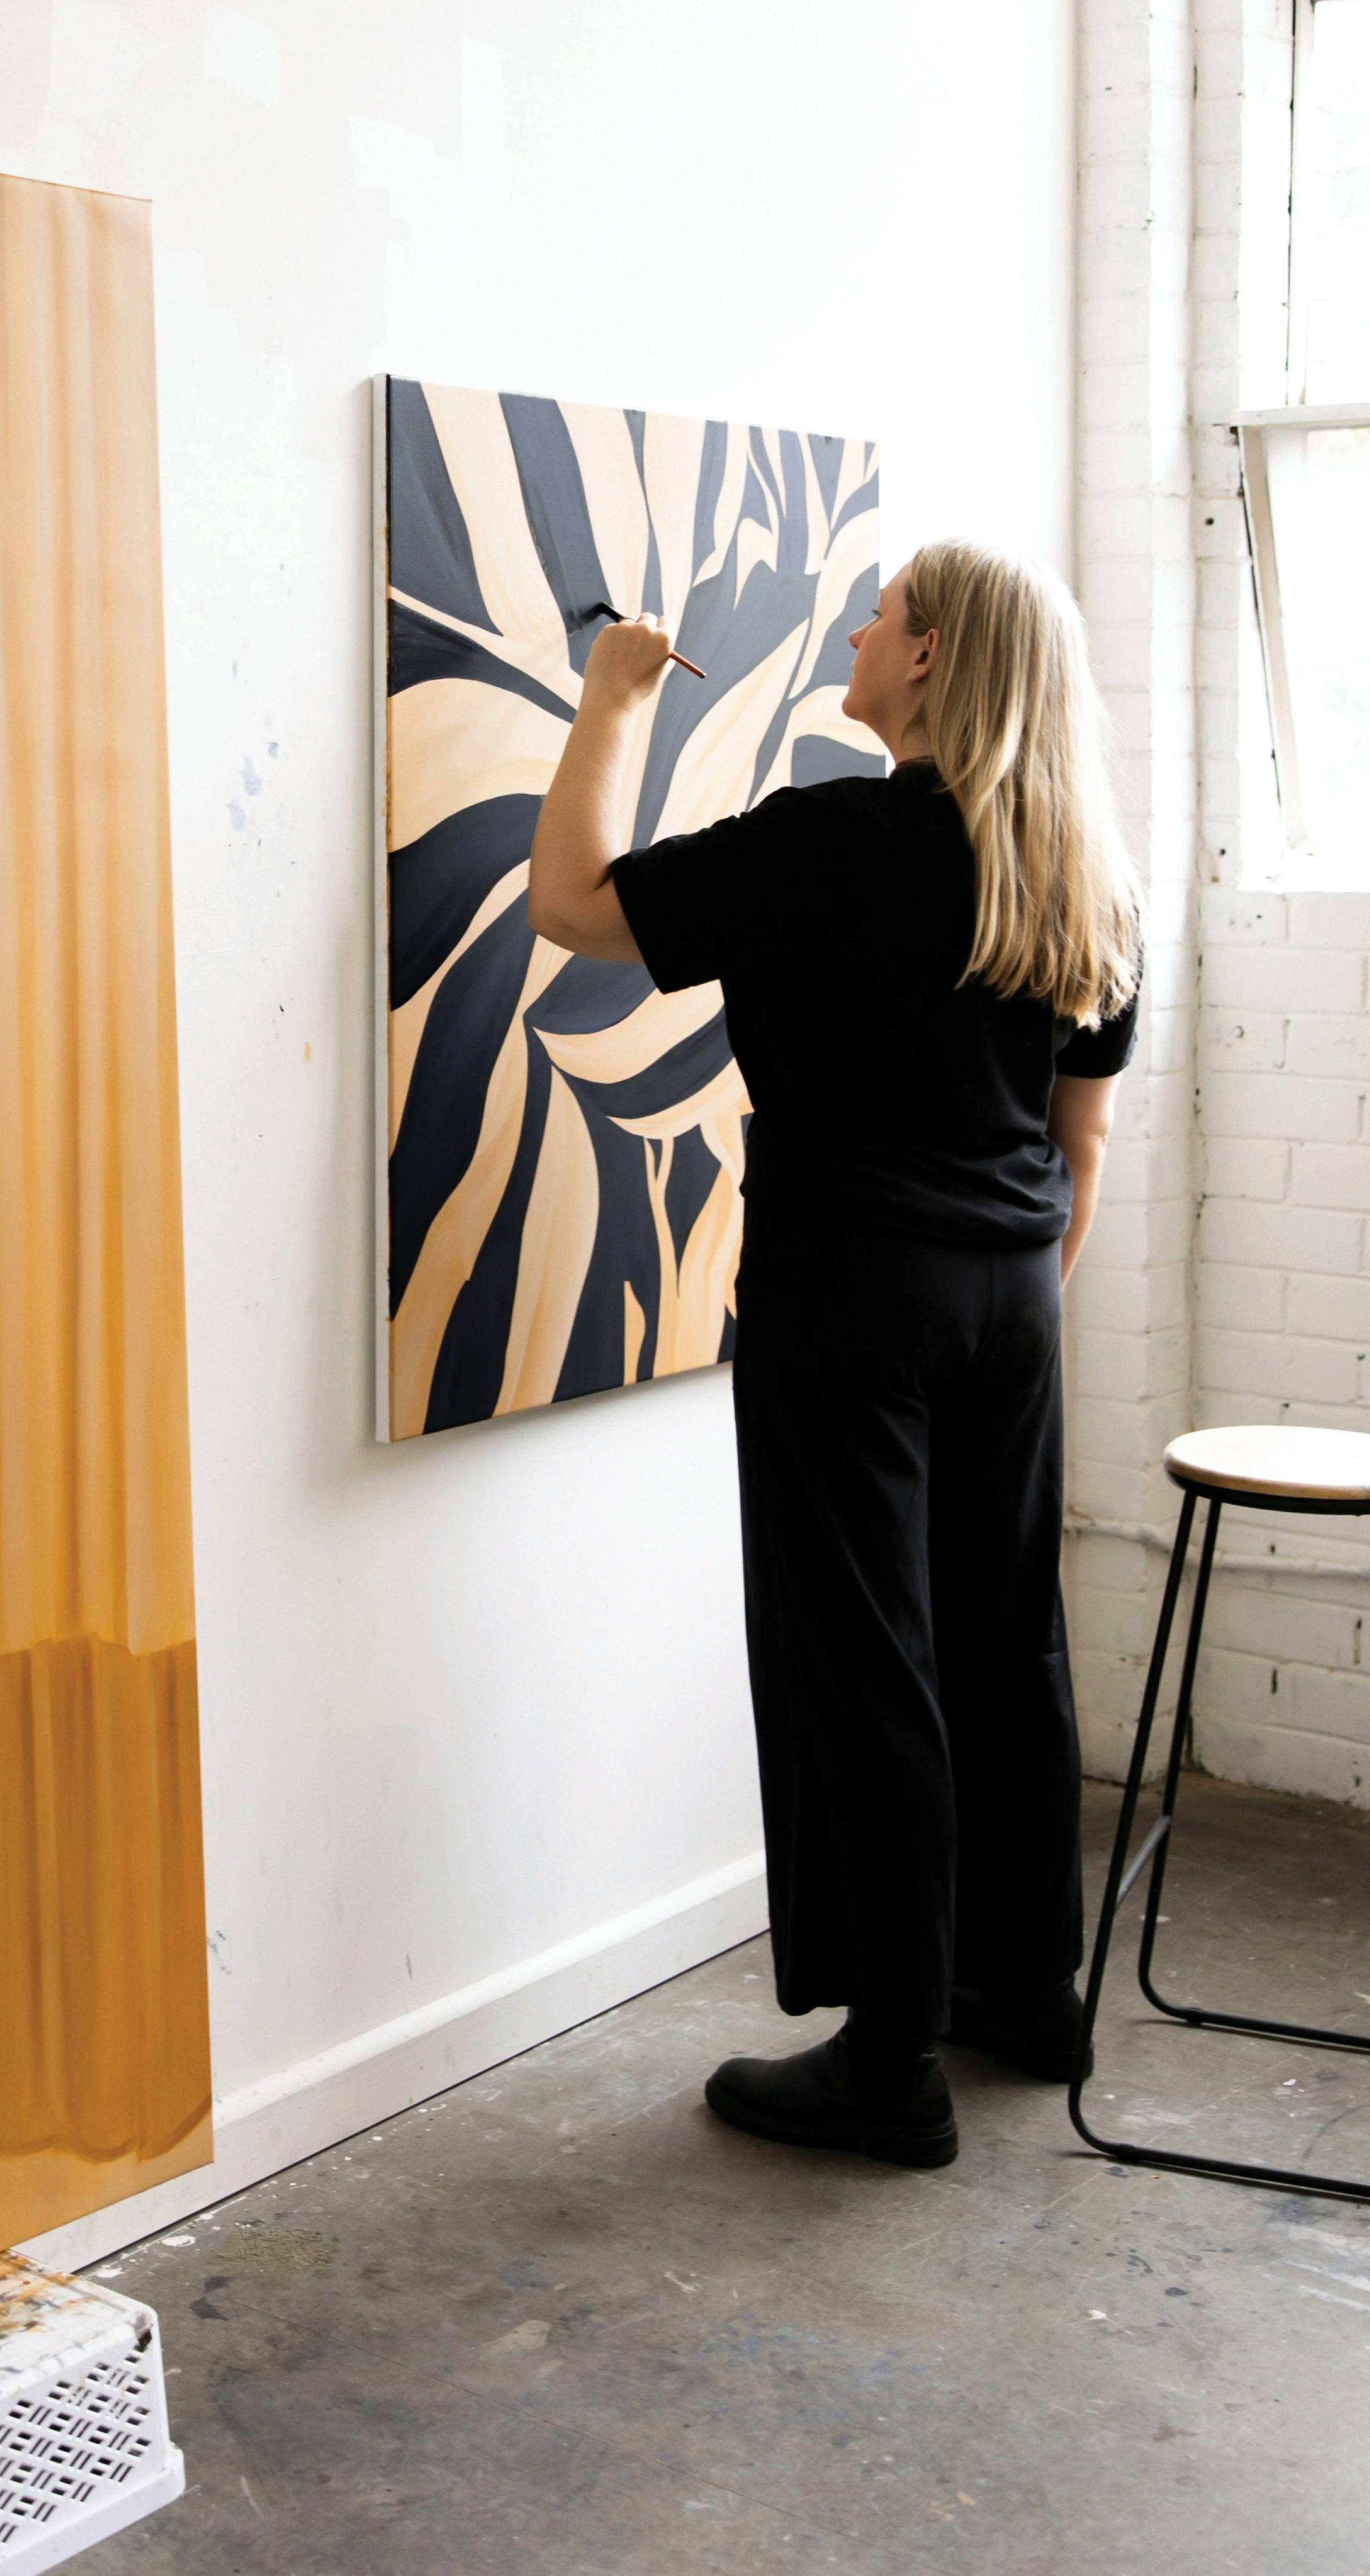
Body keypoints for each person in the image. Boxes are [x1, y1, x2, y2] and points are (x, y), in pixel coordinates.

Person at [526, 539, 1141, 2170]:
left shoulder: (843, 839)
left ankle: (888, 2064)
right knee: (1005, 1639)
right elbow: (1085, 1147)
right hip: (1013, 1294)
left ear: (930, 663)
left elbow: (573, 902)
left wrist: (611, 700)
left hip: (852, 1290)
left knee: (867, 1655)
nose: (857, 638)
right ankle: (1028, 1989)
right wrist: (1011, 1285)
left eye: (880, 620)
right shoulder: (1078, 868)